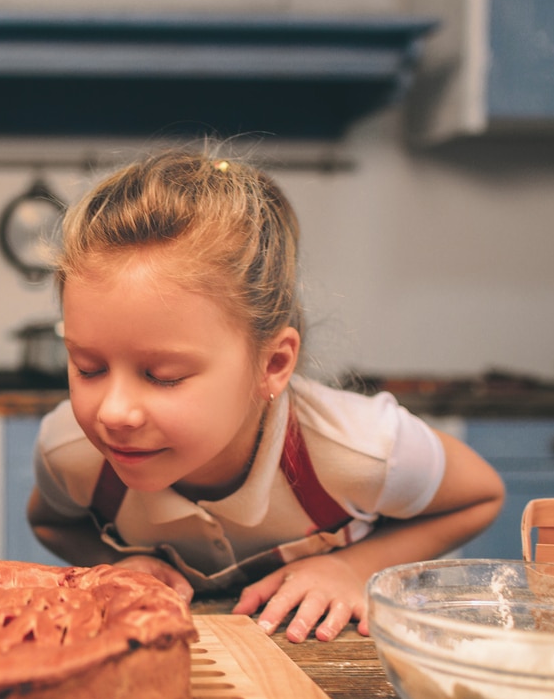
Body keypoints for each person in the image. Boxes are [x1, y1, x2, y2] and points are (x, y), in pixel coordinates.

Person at [27, 148, 505, 643]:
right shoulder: (73, 454)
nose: (114, 412)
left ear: (272, 364)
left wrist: (353, 568)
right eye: (89, 368)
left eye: (164, 376)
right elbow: (50, 523)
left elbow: (480, 497)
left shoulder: (357, 450)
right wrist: (114, 566)